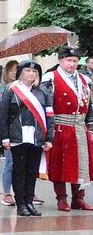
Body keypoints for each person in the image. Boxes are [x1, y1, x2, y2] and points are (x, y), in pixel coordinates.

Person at [40, 47, 93, 211]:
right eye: (68, 60)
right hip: (60, 127)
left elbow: (90, 105)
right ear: (60, 61)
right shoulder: (50, 78)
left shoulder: (85, 80)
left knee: (82, 163)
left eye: (75, 61)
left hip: (80, 127)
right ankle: (61, 198)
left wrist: (90, 126)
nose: (72, 64)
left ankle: (79, 198)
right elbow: (45, 105)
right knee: (60, 164)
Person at [0, 60, 53, 217]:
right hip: (17, 136)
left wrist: (49, 137)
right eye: (28, 71)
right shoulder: (11, 90)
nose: (31, 74)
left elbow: (49, 115)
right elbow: (4, 116)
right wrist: (4, 138)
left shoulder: (43, 91)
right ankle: (21, 203)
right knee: (19, 170)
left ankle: (29, 201)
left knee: (32, 171)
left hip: (37, 137)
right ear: (21, 73)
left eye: (34, 72)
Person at [0, 60, 19, 206]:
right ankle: (7, 193)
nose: (14, 73)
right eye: (11, 70)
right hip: (10, 130)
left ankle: (25, 192)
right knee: (10, 162)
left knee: (26, 164)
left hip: (24, 131)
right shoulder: (5, 89)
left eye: (17, 70)